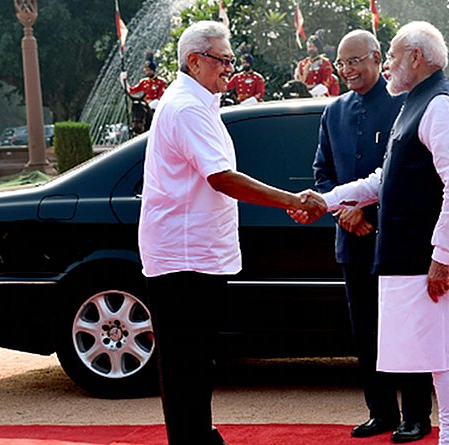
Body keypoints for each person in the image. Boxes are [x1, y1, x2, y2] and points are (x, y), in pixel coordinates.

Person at [295, 21, 449, 445]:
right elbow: (384, 178)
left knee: (446, 353)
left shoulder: (441, 105)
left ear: (415, 58)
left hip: (430, 258)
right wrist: (328, 200)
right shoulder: (417, 101)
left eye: (391, 56)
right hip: (412, 257)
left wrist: (441, 256)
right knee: (432, 351)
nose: (389, 64)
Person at [138, 21, 324, 445]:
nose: (230, 70)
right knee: (187, 361)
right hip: (184, 257)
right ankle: (191, 438)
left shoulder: (199, 103)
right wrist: (292, 200)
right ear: (195, 61)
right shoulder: (186, 107)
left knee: (197, 359)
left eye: (231, 61)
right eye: (223, 61)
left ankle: (197, 433)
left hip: (196, 253)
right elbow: (221, 178)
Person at [312, 29, 433, 442]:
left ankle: (416, 415)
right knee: (366, 332)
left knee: (407, 330)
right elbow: (323, 174)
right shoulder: (334, 112)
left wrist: (371, 215)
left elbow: (414, 175)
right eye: (341, 64)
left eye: (355, 61)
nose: (347, 70)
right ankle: (379, 412)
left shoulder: (405, 105)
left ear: (377, 58)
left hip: (397, 240)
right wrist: (344, 213)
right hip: (352, 241)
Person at [295, 30, 337, 97]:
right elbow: (298, 82)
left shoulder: (325, 64)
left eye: (313, 47)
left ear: (318, 48)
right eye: (309, 47)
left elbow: (325, 84)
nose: (311, 49)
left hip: (320, 96)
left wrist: (311, 94)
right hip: (303, 96)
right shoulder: (302, 64)